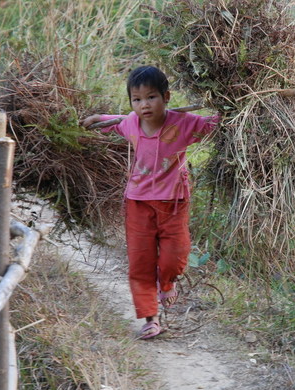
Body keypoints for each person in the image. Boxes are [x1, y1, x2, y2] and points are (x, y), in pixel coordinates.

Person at [82, 66, 218, 339]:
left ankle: (166, 283)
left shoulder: (184, 123)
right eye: (137, 99)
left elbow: (214, 124)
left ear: (166, 97)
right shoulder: (131, 122)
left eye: (151, 97)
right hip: (138, 203)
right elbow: (117, 120)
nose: (144, 105)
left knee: (175, 255)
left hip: (175, 202)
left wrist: (234, 106)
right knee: (140, 262)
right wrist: (99, 118)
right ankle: (150, 318)